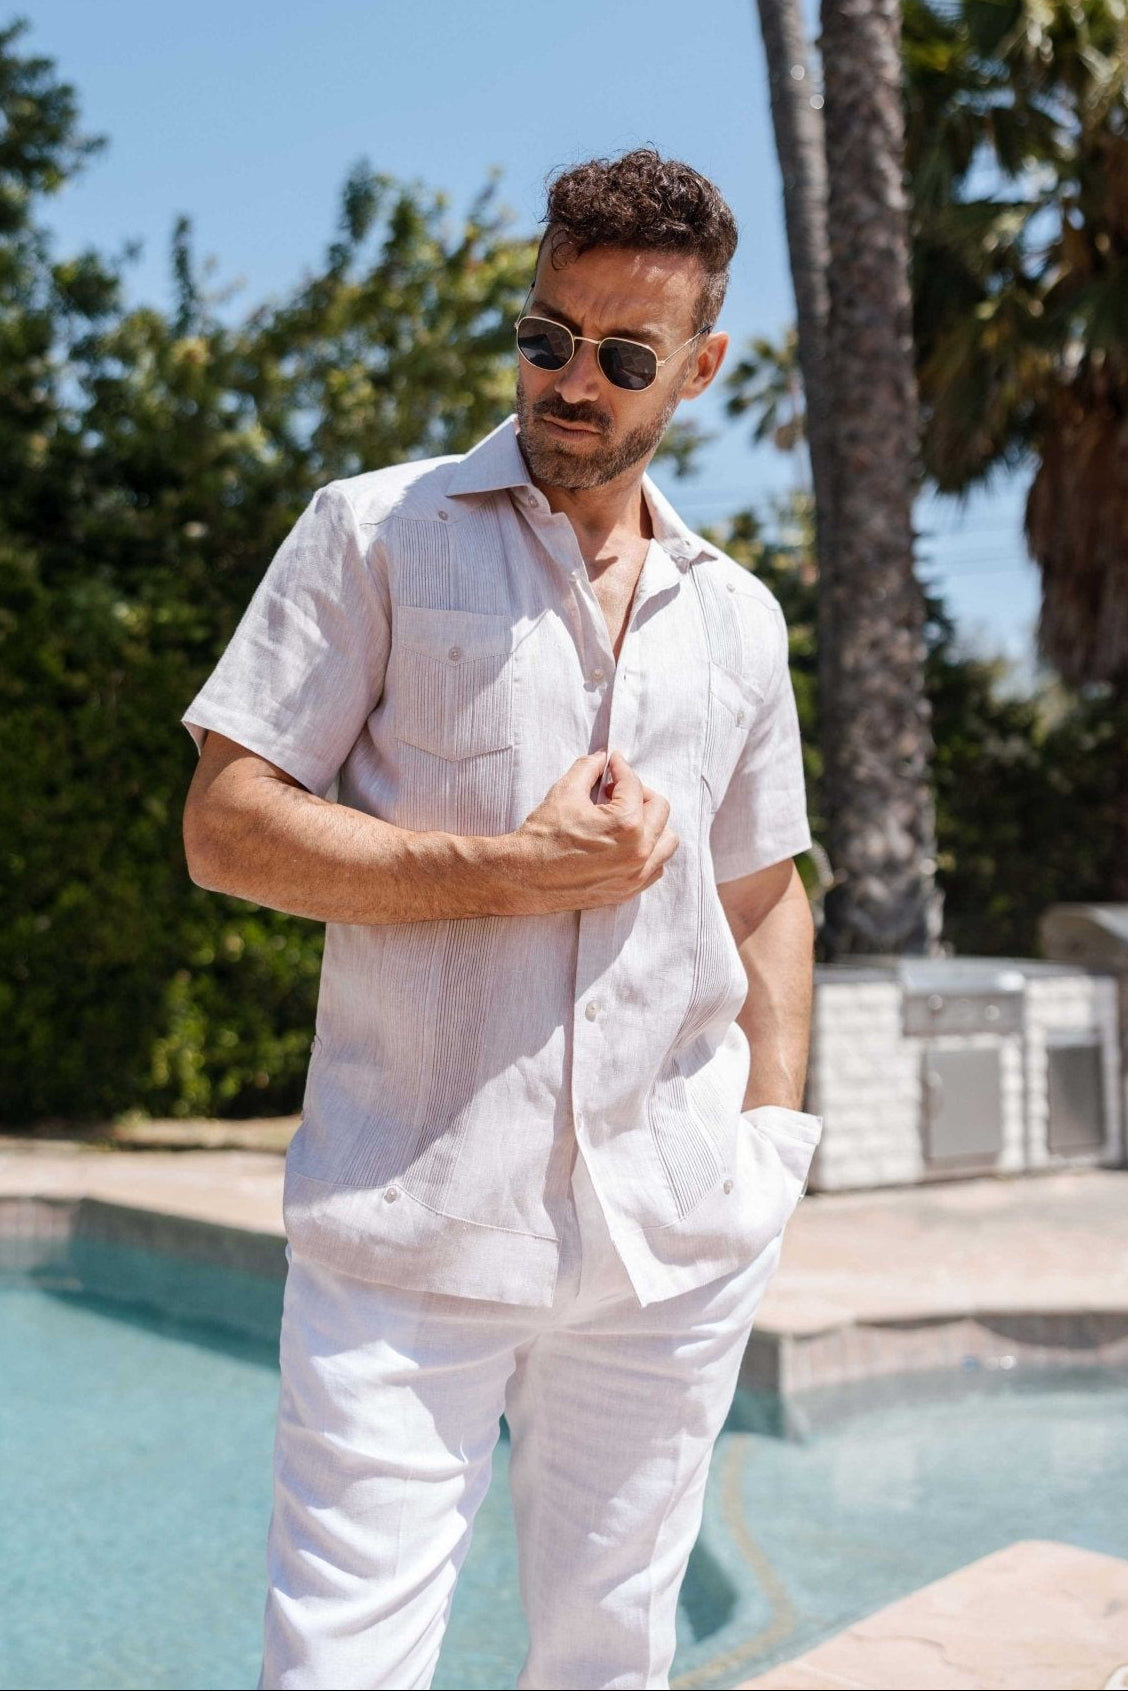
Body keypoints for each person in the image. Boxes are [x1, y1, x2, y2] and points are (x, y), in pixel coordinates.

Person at [182, 147, 822, 1691]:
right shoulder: (374, 532)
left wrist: (769, 1149)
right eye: (546, 337)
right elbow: (226, 826)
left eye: (621, 356)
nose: (569, 382)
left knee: (610, 1661)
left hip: (667, 1249)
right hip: (409, 1229)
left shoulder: (737, 613)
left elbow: (766, 894)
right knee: (339, 1669)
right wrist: (512, 871)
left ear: (702, 367)